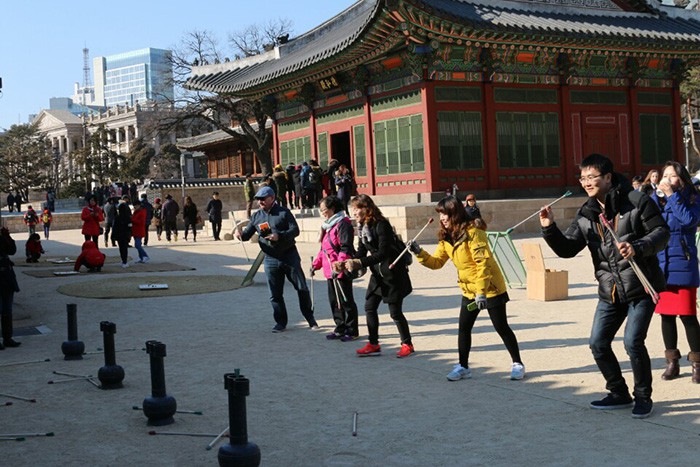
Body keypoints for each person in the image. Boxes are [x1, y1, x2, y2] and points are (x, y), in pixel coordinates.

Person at [539, 153, 669, 419]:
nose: (586, 182)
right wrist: (550, 229)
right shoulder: (587, 213)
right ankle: (618, 392)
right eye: (583, 177)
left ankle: (642, 397)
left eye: (592, 177)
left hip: (641, 285)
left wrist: (638, 247)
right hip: (610, 289)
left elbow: (662, 233)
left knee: (633, 342)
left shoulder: (636, 201)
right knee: (598, 343)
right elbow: (567, 249)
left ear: (608, 177)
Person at [409, 196, 525, 380]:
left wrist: (481, 292)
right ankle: (463, 366)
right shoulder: (446, 237)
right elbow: (437, 262)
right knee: (464, 327)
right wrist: (419, 253)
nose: (442, 219)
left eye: (444, 214)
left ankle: (517, 363)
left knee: (501, 326)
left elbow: (482, 264)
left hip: (490, 287)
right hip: (468, 289)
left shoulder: (474, 232)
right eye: (440, 215)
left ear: (454, 213)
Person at [339, 194, 415, 358]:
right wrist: (346, 262)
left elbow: (383, 253)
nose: (354, 212)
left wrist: (359, 263)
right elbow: (361, 252)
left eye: (357, 208)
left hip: (392, 273)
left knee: (395, 312)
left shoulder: (381, 225)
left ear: (366, 208)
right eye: (353, 209)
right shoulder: (361, 227)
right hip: (378, 274)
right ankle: (373, 344)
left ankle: (407, 344)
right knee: (369, 307)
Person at [236, 185, 318, 332]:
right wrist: (240, 235)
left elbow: (295, 230)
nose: (260, 202)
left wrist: (279, 236)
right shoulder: (256, 216)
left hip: (289, 256)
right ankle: (281, 322)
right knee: (275, 294)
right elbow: (247, 235)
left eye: (263, 199)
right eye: (258, 199)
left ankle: (310, 319)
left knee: (301, 288)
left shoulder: (284, 212)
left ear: (272, 198)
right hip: (270, 259)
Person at [650, 161, 700, 384]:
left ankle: (697, 363)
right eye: (664, 175)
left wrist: (672, 196)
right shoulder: (658, 199)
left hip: (684, 262)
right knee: (667, 316)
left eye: (672, 176)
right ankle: (672, 361)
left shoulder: (692, 197)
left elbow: (689, 221)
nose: (667, 179)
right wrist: (655, 196)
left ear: (681, 179)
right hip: (662, 264)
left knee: (688, 315)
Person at [310, 195, 359, 342]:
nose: (322, 213)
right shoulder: (328, 225)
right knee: (334, 301)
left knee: (345, 300)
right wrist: (315, 265)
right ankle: (340, 327)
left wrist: (339, 265)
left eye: (324, 210)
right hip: (328, 271)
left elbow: (346, 247)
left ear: (332, 209)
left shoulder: (343, 224)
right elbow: (324, 249)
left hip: (340, 269)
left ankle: (352, 330)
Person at [0, 227, 21, 349]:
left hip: (7, 277)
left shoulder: (3, 238)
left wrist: (7, 236)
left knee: (7, 310)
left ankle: (8, 338)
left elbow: (12, 250)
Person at [114, 195, 133, 268]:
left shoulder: (117, 218)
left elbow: (114, 227)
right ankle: (125, 261)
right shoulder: (127, 218)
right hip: (125, 234)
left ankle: (123, 260)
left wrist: (114, 236)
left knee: (121, 248)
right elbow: (130, 227)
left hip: (119, 235)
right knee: (124, 248)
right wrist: (130, 234)